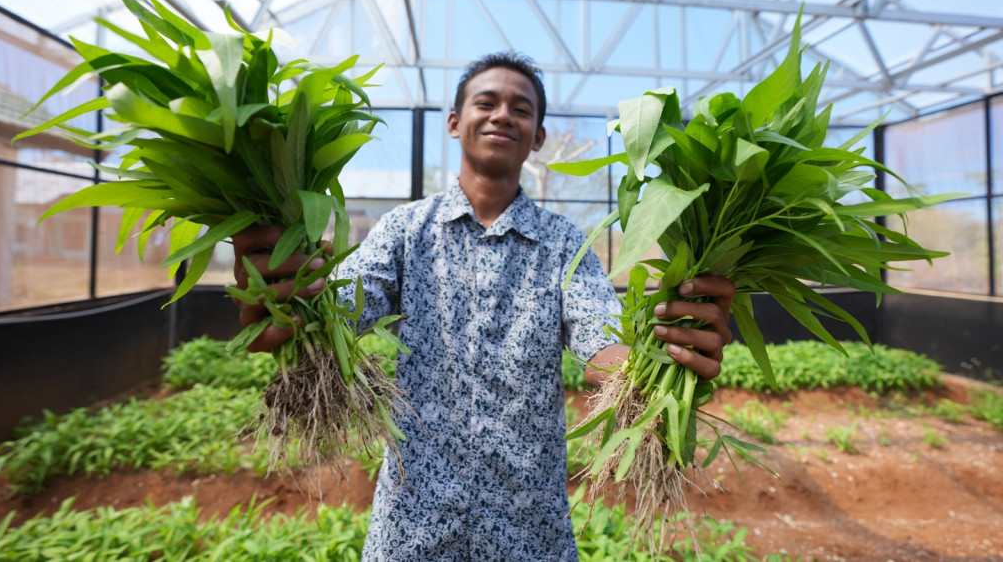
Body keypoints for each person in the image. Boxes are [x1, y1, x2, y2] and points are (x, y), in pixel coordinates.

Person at [232, 52, 735, 561]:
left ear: (537, 136)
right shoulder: (406, 231)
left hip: (529, 530)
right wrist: (296, 303)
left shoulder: (564, 243)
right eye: (486, 102)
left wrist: (656, 364)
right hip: (413, 527)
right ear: (454, 123)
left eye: (521, 109)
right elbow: (346, 304)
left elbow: (599, 340)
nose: (502, 115)